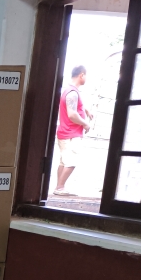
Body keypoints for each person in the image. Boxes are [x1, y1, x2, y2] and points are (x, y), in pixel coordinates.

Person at [54, 65, 94, 194]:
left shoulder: (69, 90)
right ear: (81, 75)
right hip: (70, 133)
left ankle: (59, 187)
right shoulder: (72, 93)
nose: (86, 78)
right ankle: (60, 187)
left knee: (64, 162)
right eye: (86, 75)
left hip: (65, 132)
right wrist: (85, 124)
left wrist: (86, 110)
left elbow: (74, 106)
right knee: (71, 162)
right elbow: (72, 114)